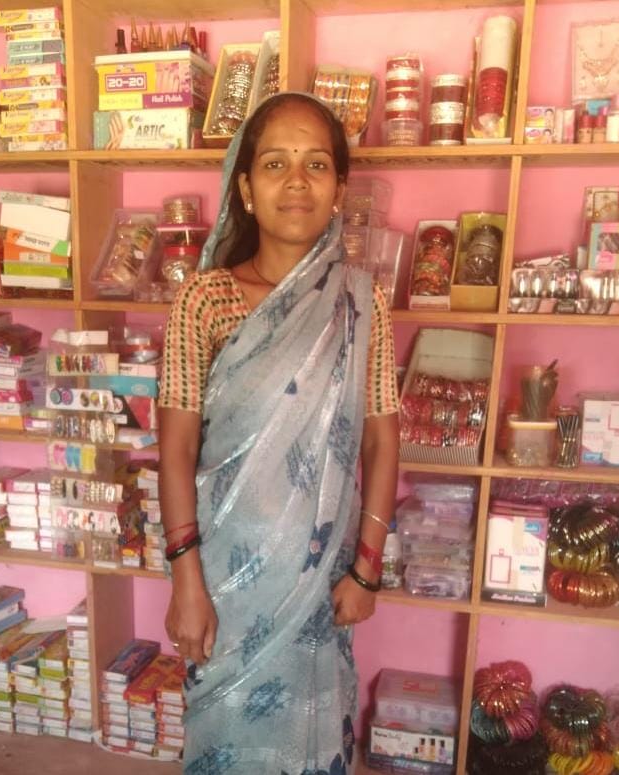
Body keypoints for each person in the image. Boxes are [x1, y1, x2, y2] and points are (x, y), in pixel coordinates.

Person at [157, 92, 400, 774]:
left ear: (339, 188)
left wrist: (367, 568)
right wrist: (186, 580)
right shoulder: (203, 299)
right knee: (228, 738)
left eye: (316, 164)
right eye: (275, 164)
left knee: (310, 736)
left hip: (320, 580)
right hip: (223, 579)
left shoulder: (362, 301)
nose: (296, 181)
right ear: (245, 187)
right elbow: (175, 450)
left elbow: (382, 439)